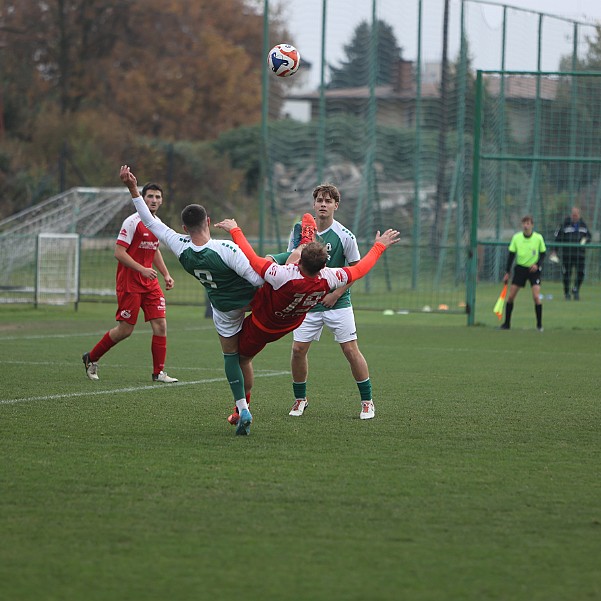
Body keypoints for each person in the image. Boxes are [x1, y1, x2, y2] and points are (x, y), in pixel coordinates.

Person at [214, 218, 400, 431]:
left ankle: (241, 409)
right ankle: (305, 239)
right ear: (324, 265)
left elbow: (251, 257)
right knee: (293, 346)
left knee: (241, 360)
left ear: (301, 263)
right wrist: (379, 246)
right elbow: (360, 269)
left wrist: (235, 230)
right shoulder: (330, 277)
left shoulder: (282, 274)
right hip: (292, 320)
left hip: (264, 323)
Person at [119, 165, 265, 436]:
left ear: (184, 227)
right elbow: (258, 279)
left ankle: (242, 407)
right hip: (252, 302)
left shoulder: (180, 245)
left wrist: (132, 189)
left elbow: (150, 222)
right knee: (276, 264)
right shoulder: (226, 248)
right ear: (208, 221)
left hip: (223, 309)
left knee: (232, 356)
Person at [270, 183, 378, 420]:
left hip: (337, 303)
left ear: (335, 206)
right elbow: (292, 261)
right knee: (298, 350)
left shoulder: (345, 236)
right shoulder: (300, 229)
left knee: (350, 350)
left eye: (328, 201)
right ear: (313, 203)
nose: (323, 204)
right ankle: (300, 399)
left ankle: (367, 401)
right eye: (319, 200)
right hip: (307, 303)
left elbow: (356, 270)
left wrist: (335, 294)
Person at [82, 179, 178, 383]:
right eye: (150, 196)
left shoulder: (156, 224)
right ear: (142, 199)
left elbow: (154, 250)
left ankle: (158, 373)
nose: (153, 200)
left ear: (162, 201)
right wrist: (142, 269)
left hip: (149, 283)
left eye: (157, 197)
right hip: (130, 283)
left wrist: (166, 274)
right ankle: (91, 357)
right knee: (125, 330)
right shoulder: (132, 221)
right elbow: (119, 252)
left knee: (161, 325)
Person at [500, 215, 546, 331]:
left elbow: (543, 254)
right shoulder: (516, 238)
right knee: (510, 297)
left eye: (528, 223)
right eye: (524, 223)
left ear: (532, 225)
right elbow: (511, 256)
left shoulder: (538, 238)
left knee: (536, 297)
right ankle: (507, 324)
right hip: (520, 269)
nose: (526, 226)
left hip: (533, 271)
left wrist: (537, 265)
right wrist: (507, 272)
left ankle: (539, 325)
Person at [552, 207, 591, 300]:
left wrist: (585, 240)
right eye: (573, 214)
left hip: (580, 255)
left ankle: (576, 289)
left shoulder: (583, 225)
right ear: (571, 215)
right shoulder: (565, 224)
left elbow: (589, 236)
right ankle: (566, 293)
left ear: (579, 215)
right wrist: (555, 251)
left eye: (576, 214)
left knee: (581, 273)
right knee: (566, 274)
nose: (574, 216)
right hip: (567, 255)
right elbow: (558, 238)